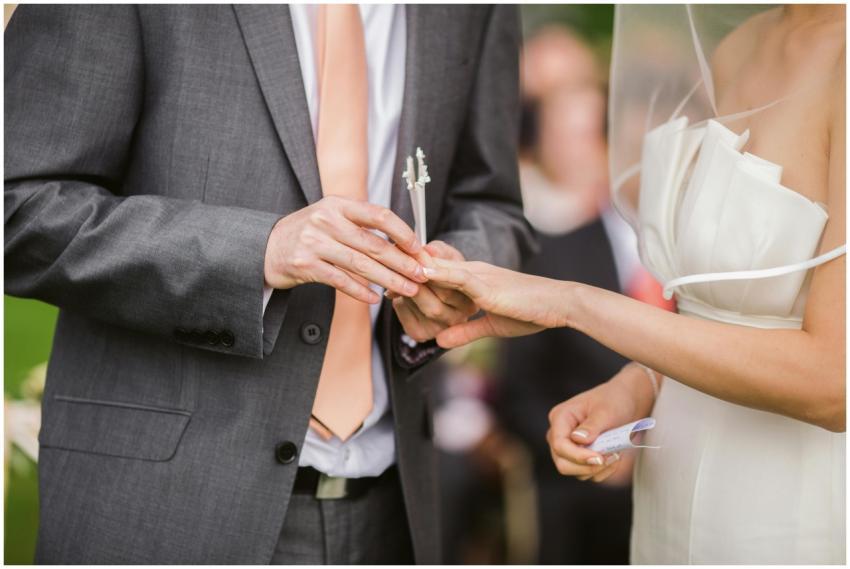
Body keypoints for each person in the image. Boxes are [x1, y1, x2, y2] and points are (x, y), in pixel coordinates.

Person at [4, 4, 534, 564]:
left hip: (395, 506)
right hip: (167, 506)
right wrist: (259, 251)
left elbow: (491, 203)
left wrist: (459, 269)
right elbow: (20, 205)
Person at [423, 4, 845, 564]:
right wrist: (642, 383)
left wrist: (571, 302)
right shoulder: (738, 45)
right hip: (668, 487)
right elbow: (718, 308)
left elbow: (835, 382)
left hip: (789, 507)